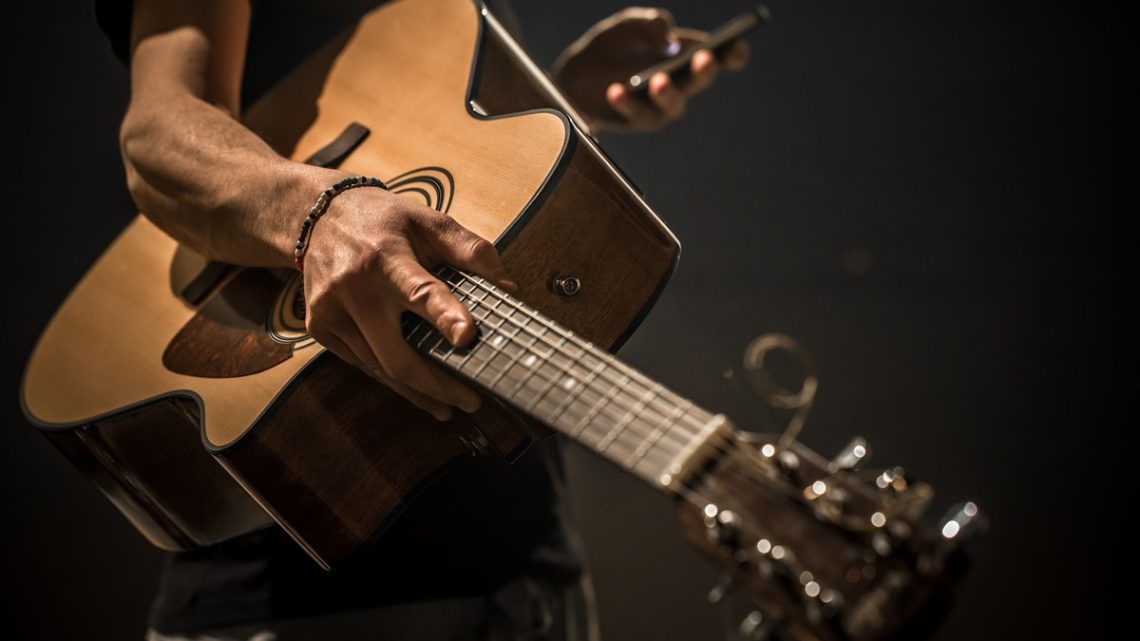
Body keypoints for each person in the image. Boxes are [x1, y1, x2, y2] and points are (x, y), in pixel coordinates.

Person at [94, 1, 748, 639]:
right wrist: (319, 212)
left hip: (533, 578)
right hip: (294, 597)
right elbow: (160, 132)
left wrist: (552, 100)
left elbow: (412, 164)